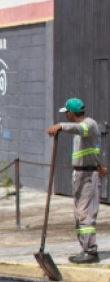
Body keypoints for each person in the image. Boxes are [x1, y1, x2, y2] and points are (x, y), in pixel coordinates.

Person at [47, 97, 106, 264]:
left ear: (71, 114)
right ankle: (85, 249)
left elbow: (79, 129)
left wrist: (61, 126)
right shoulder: (81, 129)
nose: (66, 116)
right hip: (81, 174)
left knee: (86, 214)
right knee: (79, 214)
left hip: (88, 176)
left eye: (67, 114)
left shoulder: (89, 124)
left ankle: (91, 251)